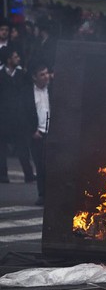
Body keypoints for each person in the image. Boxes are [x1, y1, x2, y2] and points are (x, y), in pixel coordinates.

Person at [0, 46, 34, 183]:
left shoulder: (21, 75)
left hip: (19, 117)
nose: (18, 59)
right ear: (8, 60)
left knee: (22, 148)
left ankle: (29, 174)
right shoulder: (1, 75)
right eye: (15, 57)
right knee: (1, 148)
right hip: (3, 117)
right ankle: (2, 175)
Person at [19, 62, 51, 205]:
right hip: (38, 134)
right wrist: (32, 131)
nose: (46, 77)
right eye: (42, 75)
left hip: (53, 133)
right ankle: (43, 194)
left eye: (46, 73)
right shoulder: (27, 93)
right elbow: (23, 114)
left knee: (53, 164)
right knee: (41, 165)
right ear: (34, 77)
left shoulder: (53, 89)